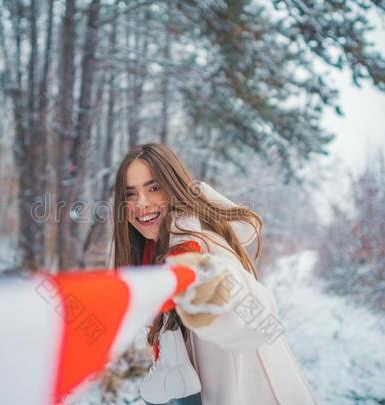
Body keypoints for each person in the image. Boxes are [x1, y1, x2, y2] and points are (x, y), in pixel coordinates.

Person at [110, 143, 319, 405]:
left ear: (174, 188)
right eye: (131, 194)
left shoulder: (201, 248)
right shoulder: (156, 255)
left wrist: (210, 292)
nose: (141, 203)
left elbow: (257, 320)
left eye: (154, 188)